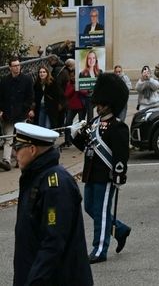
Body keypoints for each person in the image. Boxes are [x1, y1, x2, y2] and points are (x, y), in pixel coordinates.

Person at [13, 122, 93, 286]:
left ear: (32, 149)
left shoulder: (55, 185)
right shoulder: (35, 177)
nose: (14, 153)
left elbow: (53, 241)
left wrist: (34, 281)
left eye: (18, 147)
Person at [72, 73, 131, 264]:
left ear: (109, 103)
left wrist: (119, 174)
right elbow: (85, 146)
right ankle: (119, 229)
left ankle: (99, 249)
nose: (98, 106)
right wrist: (77, 133)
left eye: (102, 103)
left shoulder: (118, 127)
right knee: (91, 207)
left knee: (101, 211)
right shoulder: (94, 123)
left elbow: (121, 154)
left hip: (106, 175)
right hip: (91, 173)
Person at [0, 56, 34, 171]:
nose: (17, 68)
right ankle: (6, 161)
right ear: (10, 67)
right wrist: (1, 111)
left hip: (21, 113)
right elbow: (1, 97)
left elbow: (30, 96)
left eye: (18, 65)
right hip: (8, 114)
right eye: (14, 66)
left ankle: (21, 160)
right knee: (8, 138)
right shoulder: (4, 81)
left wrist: (26, 109)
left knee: (21, 138)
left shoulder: (27, 80)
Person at [33, 64, 64, 130]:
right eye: (40, 72)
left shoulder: (52, 83)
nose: (42, 74)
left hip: (51, 108)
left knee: (48, 126)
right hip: (41, 107)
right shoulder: (37, 84)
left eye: (44, 72)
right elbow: (35, 96)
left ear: (47, 73)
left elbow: (58, 95)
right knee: (40, 126)